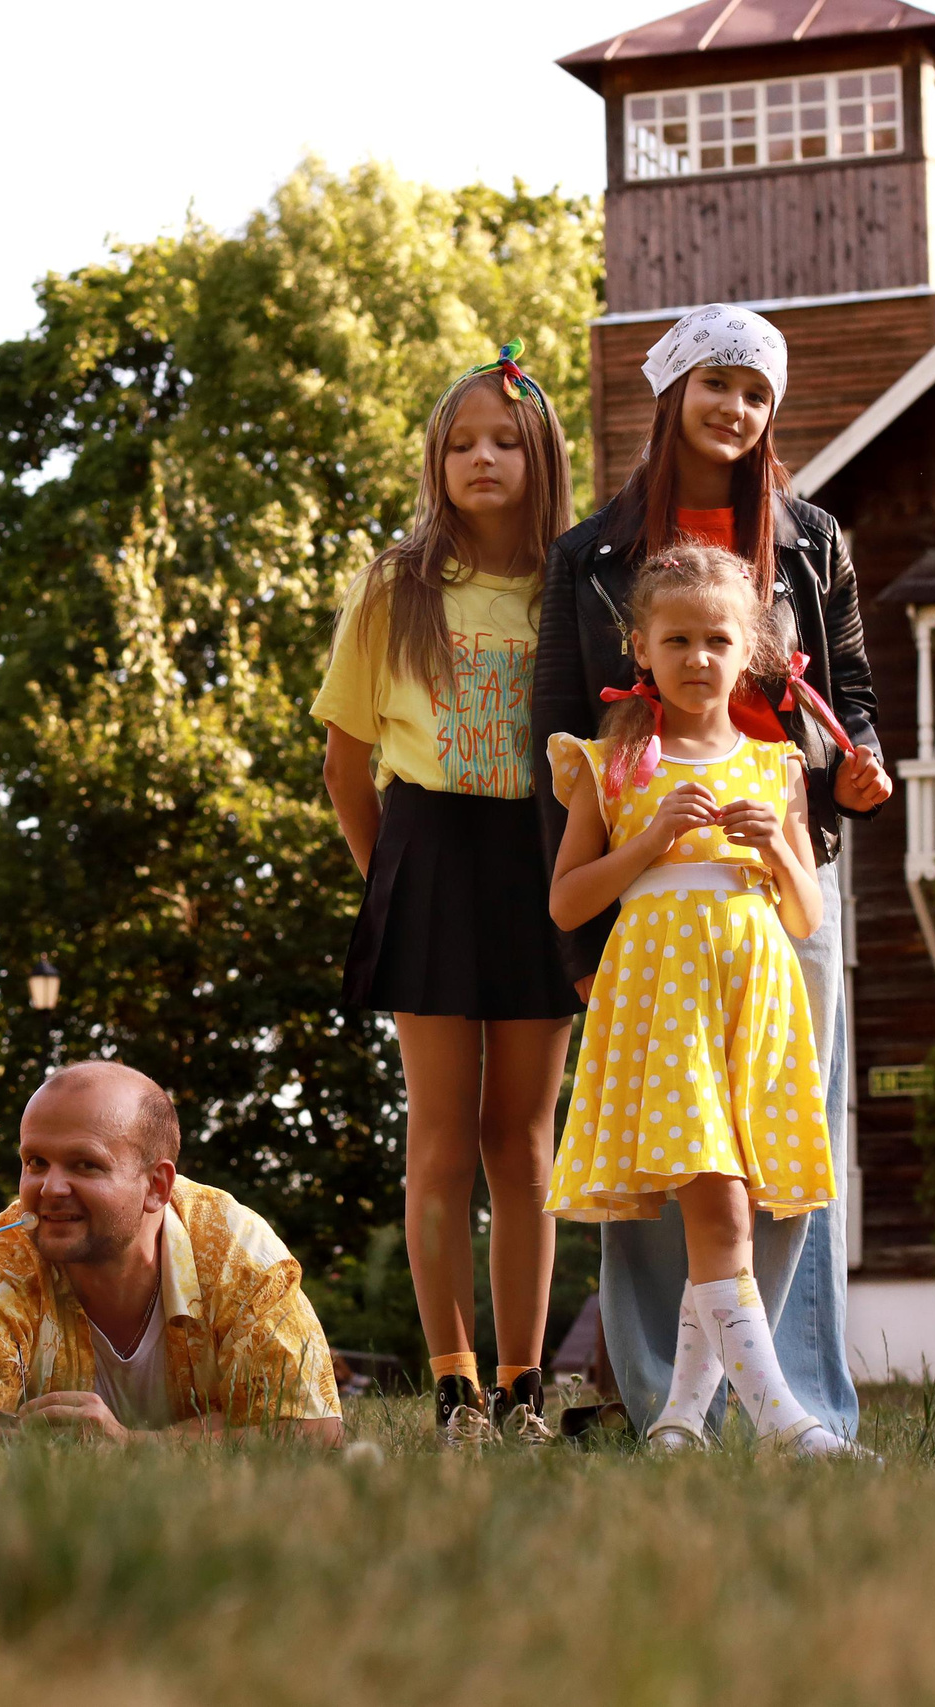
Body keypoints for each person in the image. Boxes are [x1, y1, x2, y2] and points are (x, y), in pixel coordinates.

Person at [530, 304, 888, 1444]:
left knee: (787, 1148)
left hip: (780, 873)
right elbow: (559, 740)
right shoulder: (588, 556)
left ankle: (798, 1400)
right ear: (672, 394)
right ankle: (661, 1405)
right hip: (647, 895)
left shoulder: (814, 539)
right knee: (653, 1157)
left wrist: (856, 770)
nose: (734, 409)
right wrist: (583, 941)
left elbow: (854, 702)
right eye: (715, 385)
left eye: (756, 392)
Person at [310, 340, 582, 1446]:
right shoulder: (393, 586)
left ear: (539, 455)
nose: (482, 458)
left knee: (520, 1139)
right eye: (460, 443)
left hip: (538, 857)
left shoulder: (576, 585)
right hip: (427, 850)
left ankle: (523, 1384)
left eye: (503, 442)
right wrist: (396, 890)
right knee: (438, 1137)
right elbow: (344, 765)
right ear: (435, 460)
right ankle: (455, 1384)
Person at [544, 542, 853, 1456]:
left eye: (718, 639)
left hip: (749, 1006)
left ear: (749, 648)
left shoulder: (778, 768)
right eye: (675, 639)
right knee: (717, 1207)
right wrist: (648, 845)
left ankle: (679, 1420)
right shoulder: (614, 763)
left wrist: (782, 851)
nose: (697, 658)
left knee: (738, 1210)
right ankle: (782, 1422)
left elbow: (802, 911)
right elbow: (567, 900)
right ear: (640, 648)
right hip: (660, 1006)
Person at [0, 1060, 343, 1446]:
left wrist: (133, 1445)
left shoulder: (235, 1248)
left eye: (85, 1164)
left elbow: (315, 1432)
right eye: (36, 1162)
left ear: (157, 1186)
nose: (50, 1188)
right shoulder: (3, 1252)